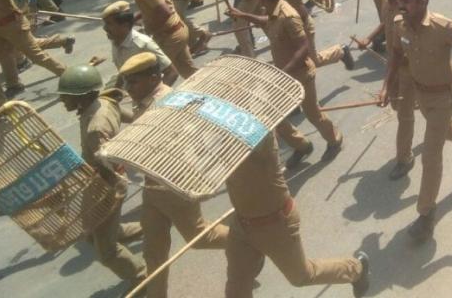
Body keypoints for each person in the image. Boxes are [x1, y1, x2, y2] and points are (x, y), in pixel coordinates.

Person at [379, 0, 452, 241]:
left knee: (430, 154)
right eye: (399, 1)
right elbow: (395, 55)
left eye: (406, 2)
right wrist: (386, 86)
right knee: (444, 129)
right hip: (419, 91)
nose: (400, 6)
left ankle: (426, 215)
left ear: (422, 2)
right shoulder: (399, 25)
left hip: (443, 95)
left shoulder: (444, 27)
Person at [118, 52, 229, 298]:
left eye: (133, 82)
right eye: (126, 82)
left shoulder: (166, 103)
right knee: (153, 249)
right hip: (153, 185)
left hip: (173, 181)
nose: (128, 88)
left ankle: (250, 243)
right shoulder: (145, 99)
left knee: (201, 237)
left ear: (154, 77)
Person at [223, 130, 369, 298]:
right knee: (237, 286)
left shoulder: (257, 131)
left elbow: (260, 136)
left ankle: (356, 268)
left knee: (302, 276)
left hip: (275, 224)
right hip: (241, 224)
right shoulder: (220, 128)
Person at [228, 0, 344, 168]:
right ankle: (302, 145)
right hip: (284, 75)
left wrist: (284, 71)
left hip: (299, 75)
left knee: (313, 114)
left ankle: (335, 139)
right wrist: (243, 15)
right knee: (274, 115)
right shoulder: (274, 9)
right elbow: (267, 21)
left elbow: (303, 47)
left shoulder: (288, 16)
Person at [57, 64, 146, 286]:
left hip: (105, 184)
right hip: (102, 179)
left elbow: (107, 162)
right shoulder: (106, 103)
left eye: (66, 96)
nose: (62, 101)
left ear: (82, 95)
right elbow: (130, 116)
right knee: (94, 229)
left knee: (106, 251)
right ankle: (139, 228)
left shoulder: (95, 128)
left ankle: (142, 276)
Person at [356, 0, 417, 179]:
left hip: (409, 68)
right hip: (394, 65)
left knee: (405, 116)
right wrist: (369, 38)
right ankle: (451, 128)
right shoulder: (385, 0)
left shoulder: (408, 6)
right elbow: (386, 23)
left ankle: (404, 159)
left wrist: (384, 86)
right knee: (403, 106)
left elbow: (400, 53)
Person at [101, 0, 178, 86]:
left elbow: (171, 73)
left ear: (125, 25)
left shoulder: (144, 44)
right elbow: (123, 73)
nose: (105, 28)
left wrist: (156, 96)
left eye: (109, 24)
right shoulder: (116, 42)